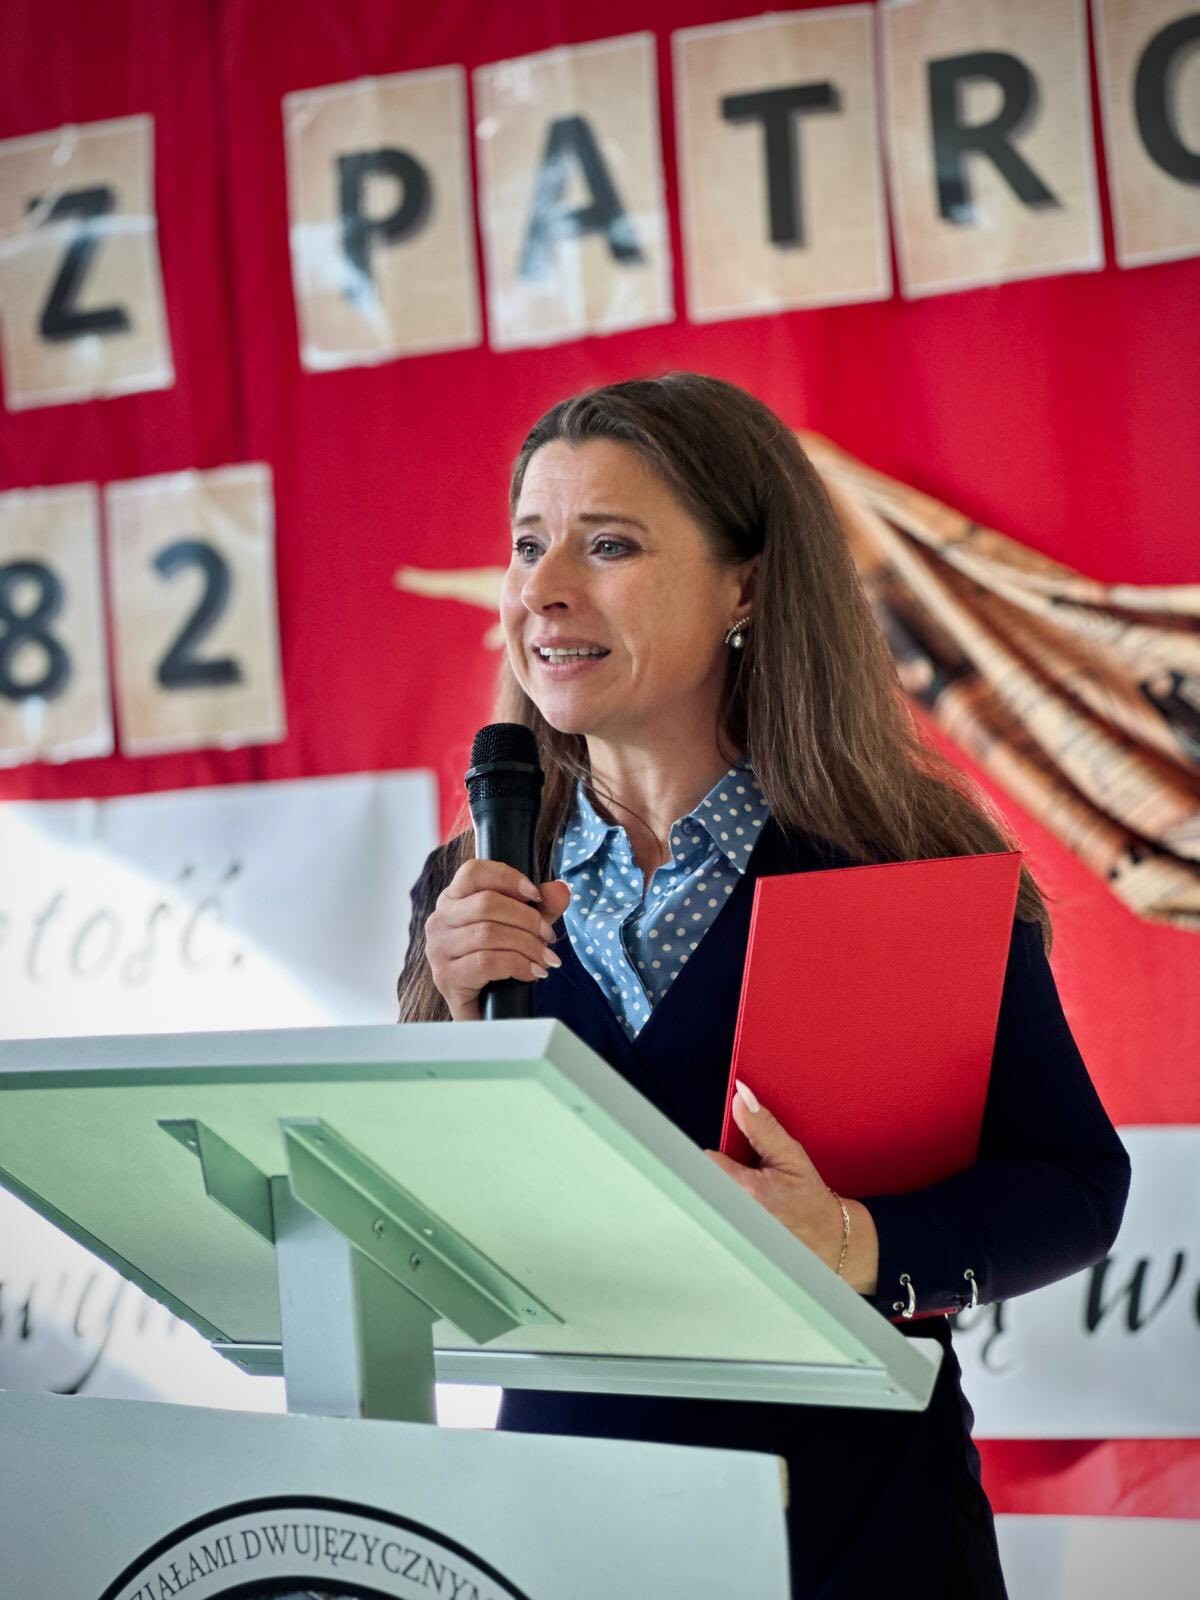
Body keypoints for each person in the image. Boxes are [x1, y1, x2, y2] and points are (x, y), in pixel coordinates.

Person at [396, 373, 1131, 1597]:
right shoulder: (470, 881)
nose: (541, 589)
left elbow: (1077, 1186)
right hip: (565, 1533)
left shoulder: (903, 861)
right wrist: (447, 1023)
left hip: (860, 1542)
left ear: (745, 586)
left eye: (608, 544)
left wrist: (855, 1241)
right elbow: (419, 1228)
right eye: (528, 544)